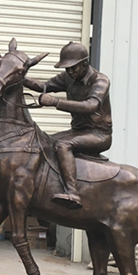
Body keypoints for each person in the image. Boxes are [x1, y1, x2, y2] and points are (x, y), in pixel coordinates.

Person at [23, 41, 112, 209]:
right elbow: (44, 86)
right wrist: (20, 77)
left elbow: (91, 105)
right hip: (77, 131)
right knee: (44, 142)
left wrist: (55, 102)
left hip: (99, 135)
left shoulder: (100, 80)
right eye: (67, 69)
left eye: (73, 68)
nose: (70, 72)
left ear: (84, 64)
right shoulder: (68, 77)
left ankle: (72, 193)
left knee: (63, 145)